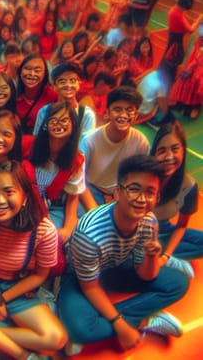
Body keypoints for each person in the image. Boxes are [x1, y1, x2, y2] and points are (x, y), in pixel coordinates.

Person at [57, 155, 190, 353]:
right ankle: (145, 320)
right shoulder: (90, 234)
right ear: (118, 192)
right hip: (79, 276)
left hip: (115, 267)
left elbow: (145, 275)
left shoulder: (149, 221)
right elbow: (91, 287)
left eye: (150, 192)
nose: (142, 199)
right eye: (134, 189)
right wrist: (121, 326)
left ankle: (130, 321)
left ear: (157, 198)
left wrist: (151, 256)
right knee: (80, 330)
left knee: (178, 283)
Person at [0, 161, 66, 360]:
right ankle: (22, 354)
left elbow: (40, 275)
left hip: (19, 289)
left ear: (24, 198)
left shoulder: (43, 231)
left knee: (56, 338)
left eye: (8, 192)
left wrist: (2, 300)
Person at [81, 86, 150, 210]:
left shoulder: (140, 142)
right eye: (117, 109)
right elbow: (78, 180)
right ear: (107, 113)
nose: (123, 115)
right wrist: (94, 210)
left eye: (129, 110)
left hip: (121, 193)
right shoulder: (89, 141)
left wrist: (120, 196)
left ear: (136, 115)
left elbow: (140, 175)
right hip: (90, 190)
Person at [27, 101, 84, 242]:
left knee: (52, 238)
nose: (58, 124)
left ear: (73, 125)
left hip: (52, 208)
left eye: (64, 120)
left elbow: (72, 198)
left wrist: (67, 228)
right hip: (24, 203)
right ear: (45, 124)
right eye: (53, 120)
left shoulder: (76, 160)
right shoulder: (28, 146)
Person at [151, 120, 202, 264]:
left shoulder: (189, 186)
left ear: (183, 151)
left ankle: (162, 253)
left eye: (175, 149)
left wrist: (166, 256)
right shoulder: (144, 177)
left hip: (164, 229)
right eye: (162, 151)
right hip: (138, 231)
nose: (169, 156)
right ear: (154, 153)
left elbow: (181, 226)